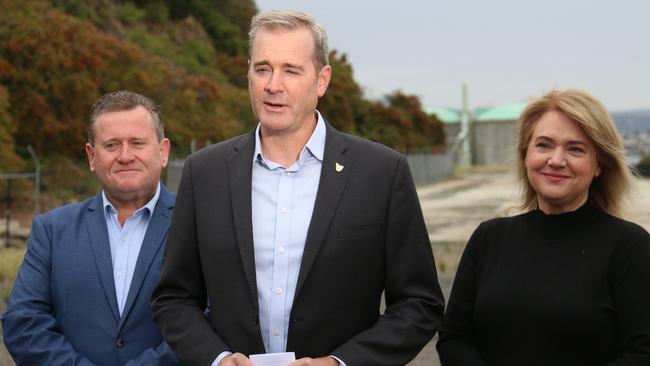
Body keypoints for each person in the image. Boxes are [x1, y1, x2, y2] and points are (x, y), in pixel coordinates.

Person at [152, 9, 444, 366]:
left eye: (291, 70)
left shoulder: (382, 173)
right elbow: (175, 298)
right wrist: (216, 358)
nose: (273, 85)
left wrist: (341, 363)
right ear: (248, 74)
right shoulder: (204, 173)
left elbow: (420, 304)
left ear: (322, 80)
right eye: (262, 69)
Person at [436, 89, 650, 365]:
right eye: (544, 145)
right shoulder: (488, 239)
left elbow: (643, 354)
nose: (556, 160)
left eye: (575, 148)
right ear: (526, 155)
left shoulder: (630, 247)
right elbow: (454, 338)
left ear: (599, 165)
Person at [2, 91, 178, 365]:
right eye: (111, 145)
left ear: (163, 151)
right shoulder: (52, 231)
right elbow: (23, 322)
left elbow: (211, 316)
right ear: (92, 156)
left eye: (137, 143)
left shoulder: (197, 224)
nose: (125, 155)